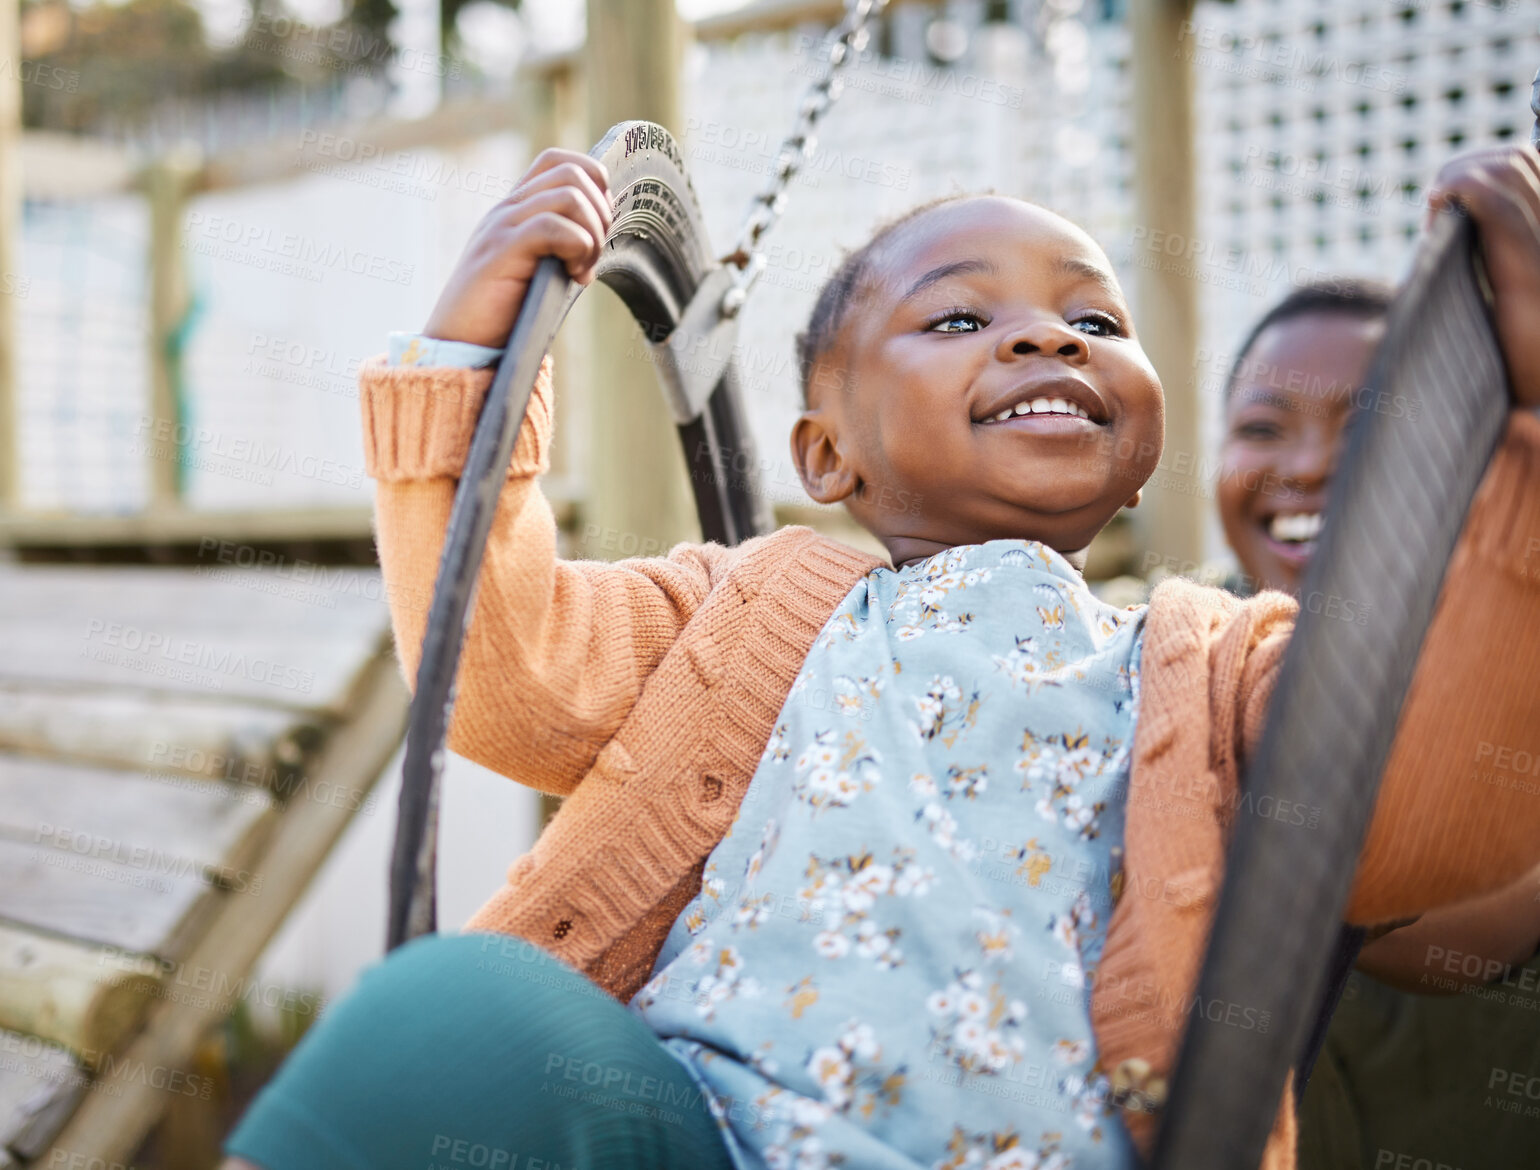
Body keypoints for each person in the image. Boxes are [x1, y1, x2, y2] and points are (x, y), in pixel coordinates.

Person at [222, 145, 1540, 1170]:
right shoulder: (747, 606)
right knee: (448, 1011)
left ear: (1141, 453)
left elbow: (1425, 814)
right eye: (958, 320)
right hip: (706, 1133)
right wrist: (467, 362)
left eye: (1095, 316)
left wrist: (1518, 440)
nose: (1045, 336)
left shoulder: (1210, 659)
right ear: (826, 456)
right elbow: (504, 671)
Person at [1216, 243, 1540, 1167]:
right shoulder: (1170, 643)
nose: (1309, 466)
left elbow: (1458, 917)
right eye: (1263, 427)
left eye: (1366, 427)